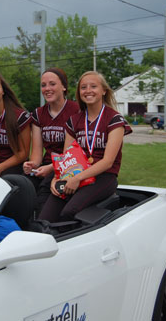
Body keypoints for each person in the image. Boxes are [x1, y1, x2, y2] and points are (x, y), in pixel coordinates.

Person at [38, 71, 132, 222]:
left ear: (103, 91)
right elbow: (66, 157)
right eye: (83, 87)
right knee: (45, 218)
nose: (88, 90)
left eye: (93, 86)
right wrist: (57, 178)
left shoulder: (114, 120)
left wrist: (77, 178)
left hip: (103, 176)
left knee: (69, 211)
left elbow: (108, 161)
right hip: (75, 174)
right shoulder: (74, 120)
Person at [22, 68, 79, 214]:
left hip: (70, 166)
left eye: (52, 84)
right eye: (43, 85)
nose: (47, 89)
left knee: (44, 190)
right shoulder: (38, 114)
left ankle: (42, 226)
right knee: (20, 185)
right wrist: (32, 165)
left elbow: (73, 153)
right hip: (46, 166)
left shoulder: (76, 110)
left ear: (64, 86)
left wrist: (51, 168)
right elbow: (37, 153)